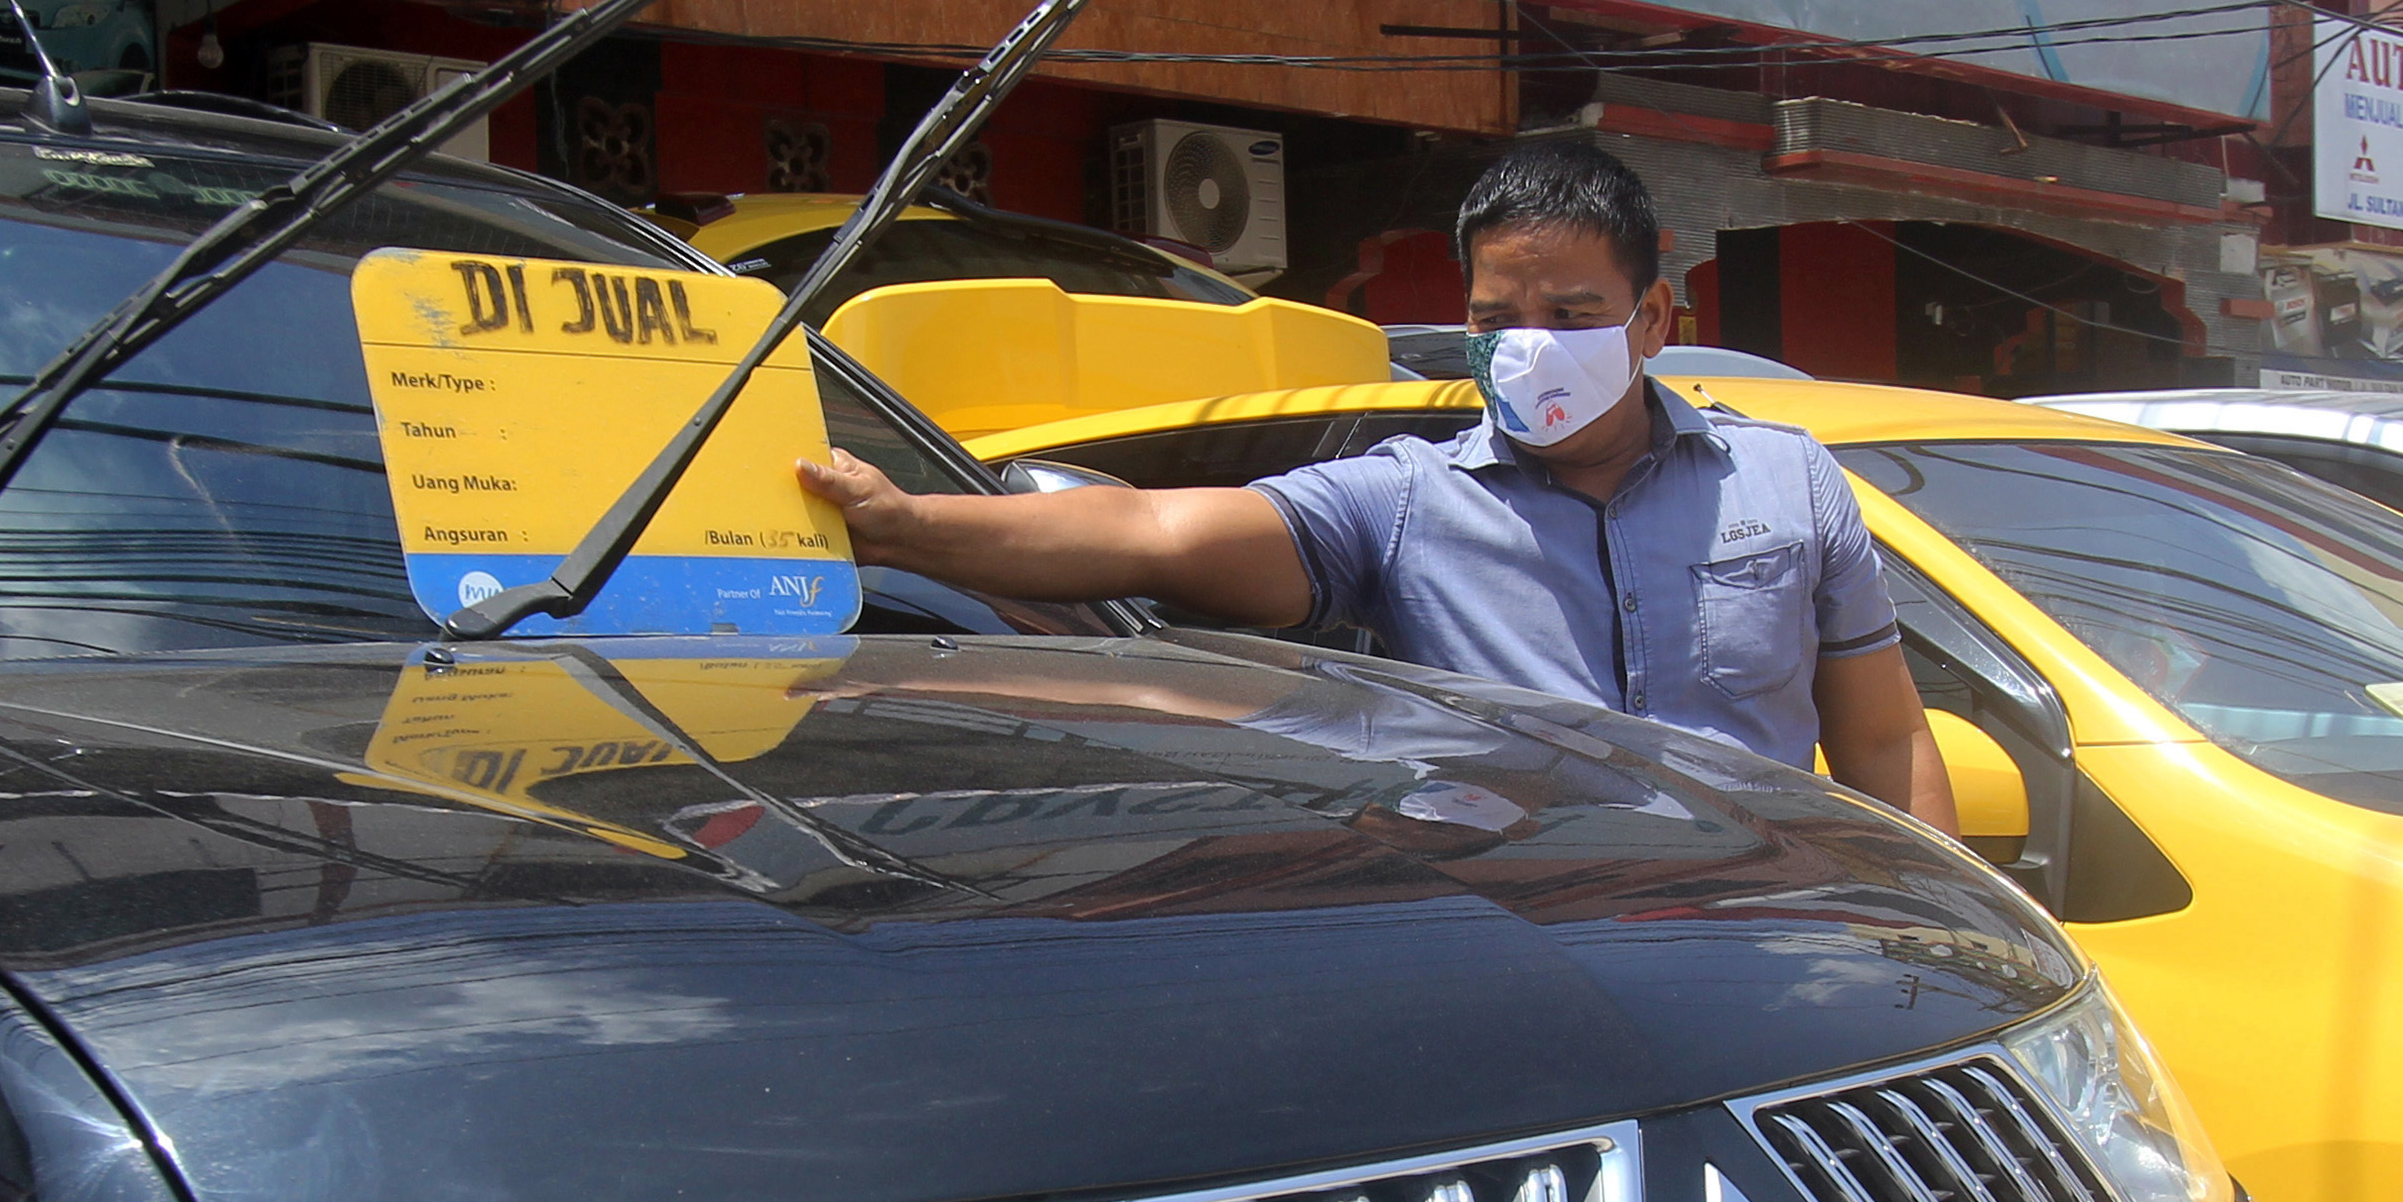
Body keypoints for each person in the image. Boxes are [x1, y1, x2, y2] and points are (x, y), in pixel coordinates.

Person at [792, 139, 1958, 832]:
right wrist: (904, 528)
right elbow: (1143, 529)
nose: (1531, 347)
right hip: (1551, 955)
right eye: (1498, 320)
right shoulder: (1403, 505)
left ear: (1653, 318)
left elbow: (1886, 739)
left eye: (1572, 317)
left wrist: (1945, 938)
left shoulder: (1789, 480)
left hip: (1781, 938)